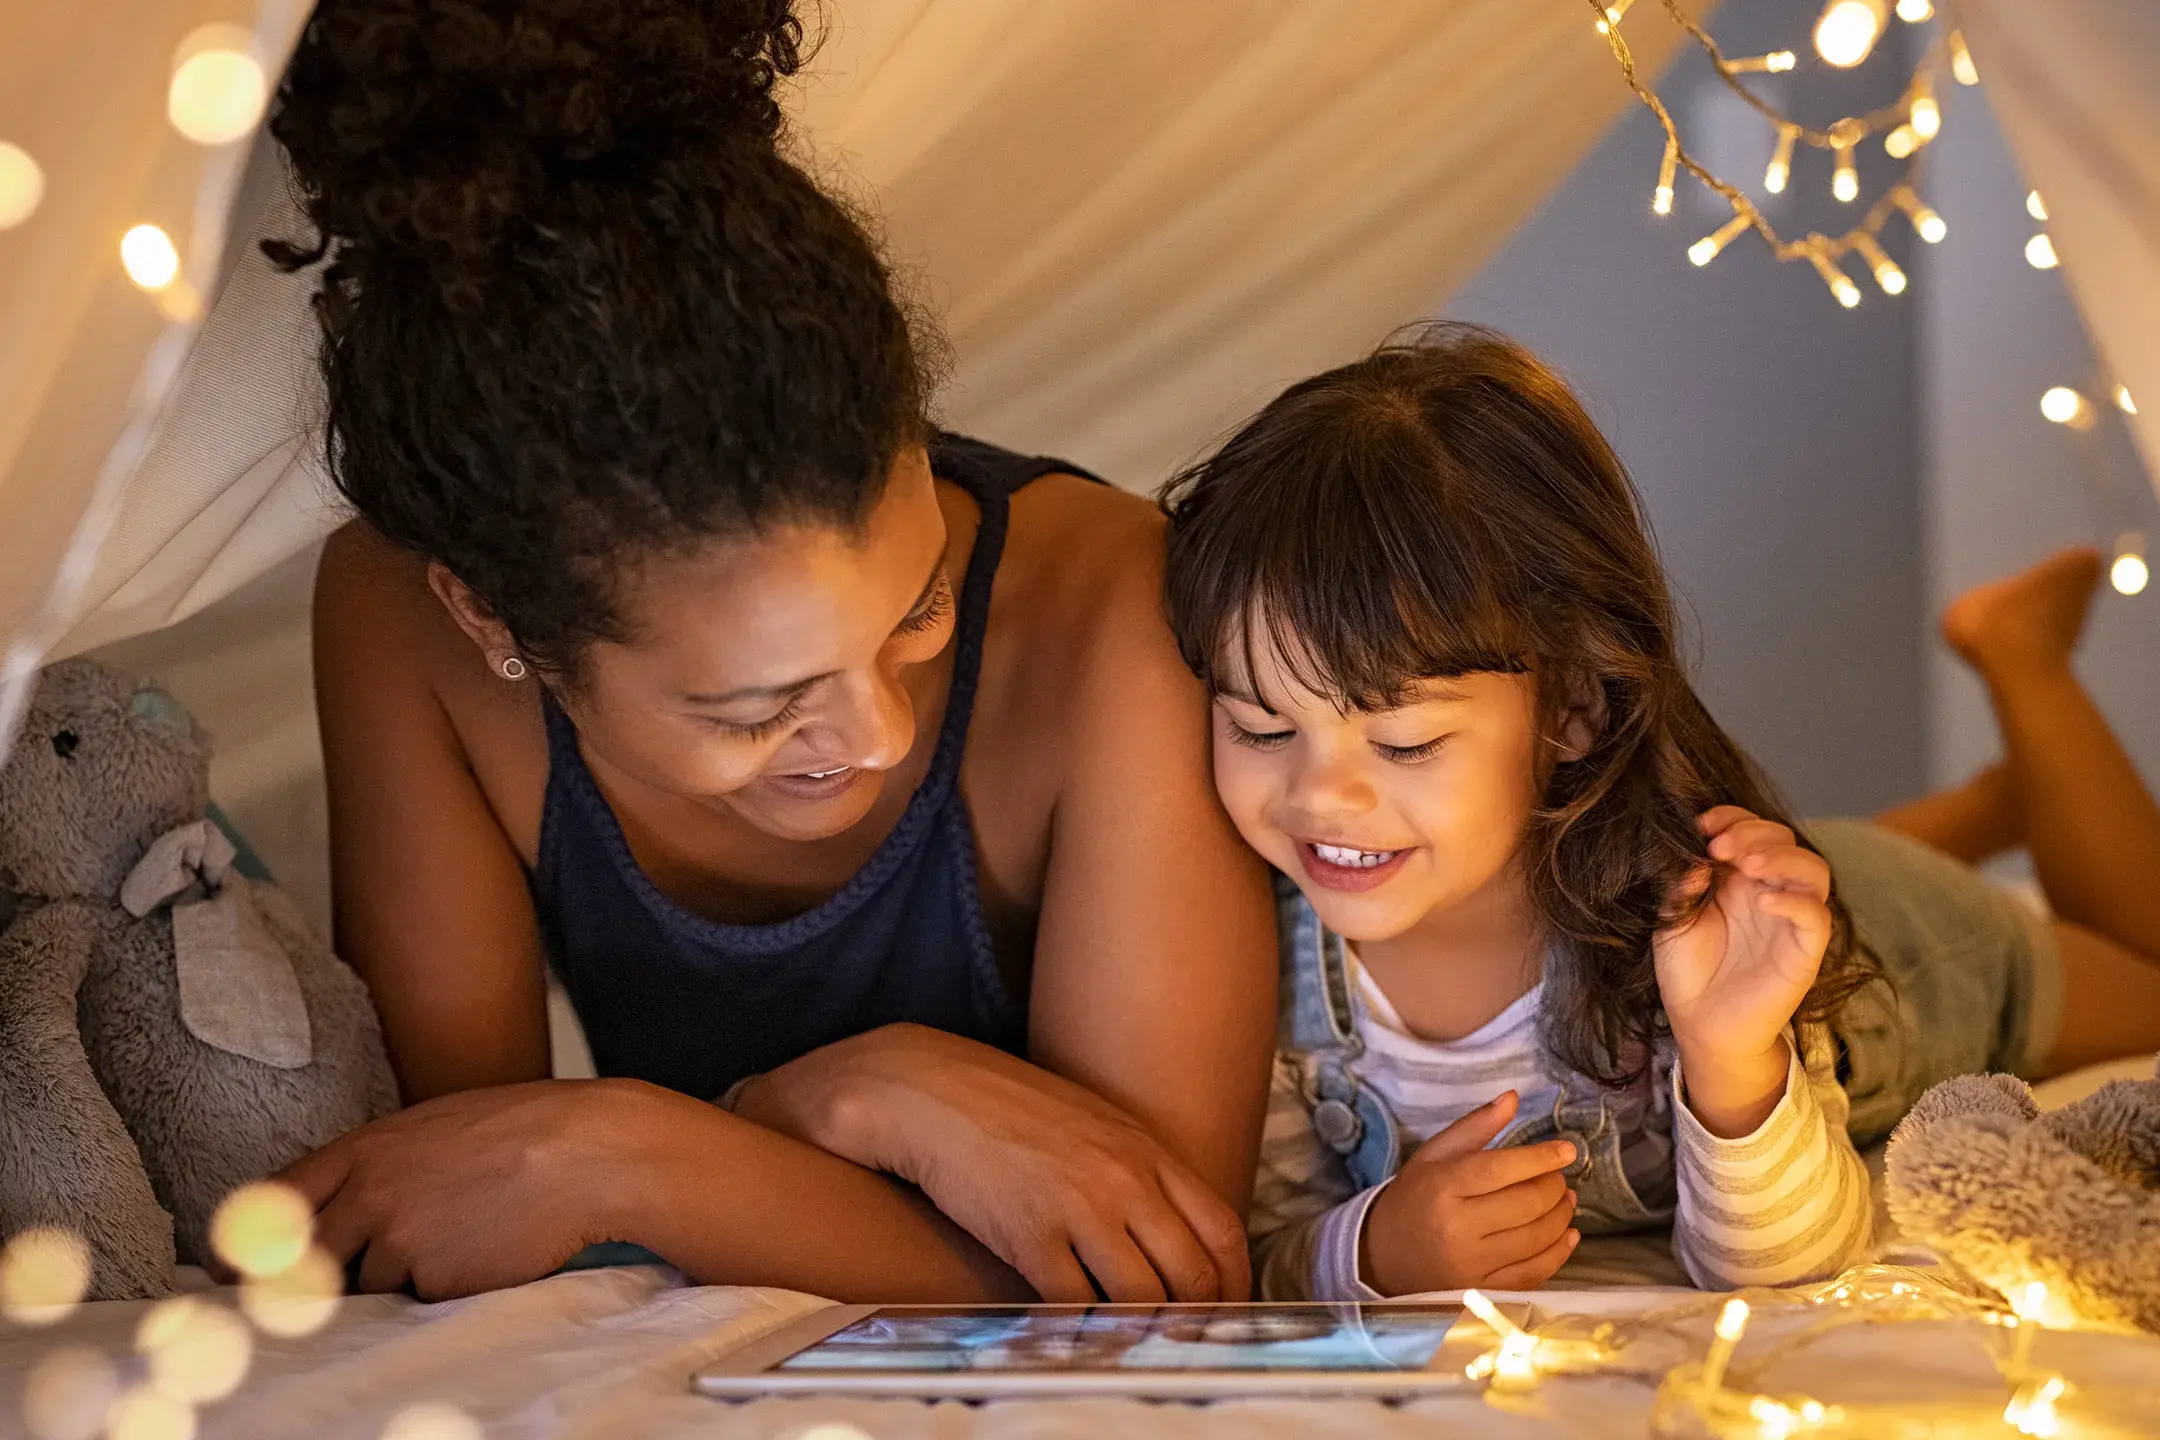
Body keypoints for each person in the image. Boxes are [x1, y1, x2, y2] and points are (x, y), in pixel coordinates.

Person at [267, 0, 1276, 1304]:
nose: (881, 733)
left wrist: (652, 1144)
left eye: (920, 608)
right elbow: (467, 1201)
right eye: (760, 707)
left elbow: (1162, 1284)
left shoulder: (1115, 617)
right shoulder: (399, 622)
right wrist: (826, 1113)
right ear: (495, 623)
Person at [1156, 324, 2160, 1300]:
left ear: (1574, 709)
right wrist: (1371, 1252)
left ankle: (2022, 662)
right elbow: (1250, 1249)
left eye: (1406, 743)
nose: (1319, 794)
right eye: (1260, 728)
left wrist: (1732, 1060)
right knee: (1818, 857)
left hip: (1898, 947)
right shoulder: (1257, 968)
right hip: (1763, 872)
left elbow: (1788, 1263)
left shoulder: (1688, 936)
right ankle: (1999, 802)